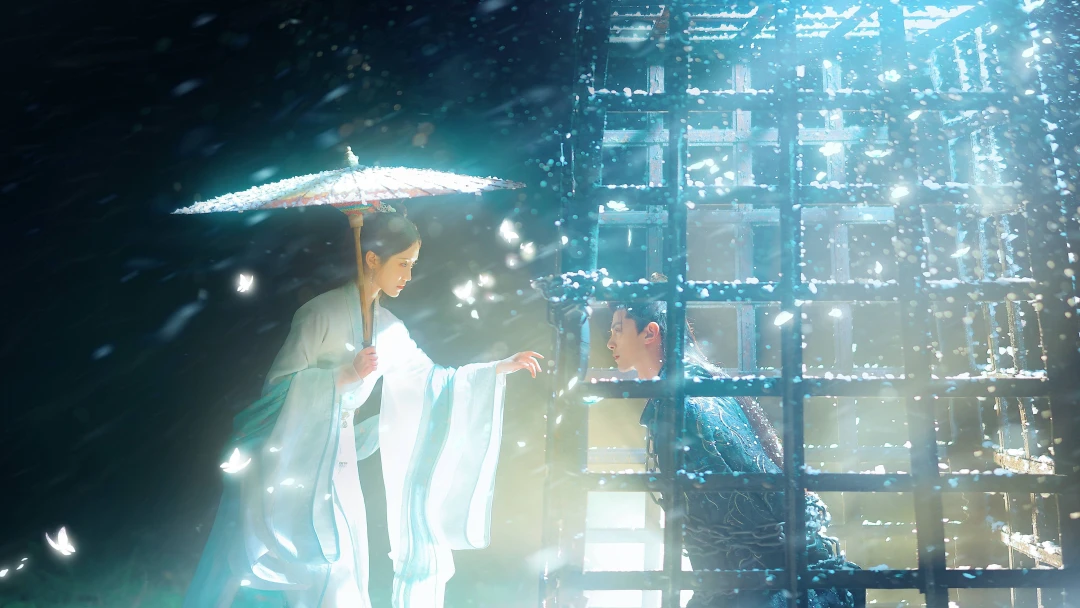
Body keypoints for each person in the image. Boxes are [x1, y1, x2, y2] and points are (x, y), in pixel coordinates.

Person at [184, 209, 543, 608]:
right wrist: (343, 376)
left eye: (412, 265)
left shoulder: (388, 328)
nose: (408, 275)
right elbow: (277, 391)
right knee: (235, 557)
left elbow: (431, 382)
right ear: (372, 258)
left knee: (343, 562)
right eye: (402, 263)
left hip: (340, 457)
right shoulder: (318, 314)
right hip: (289, 454)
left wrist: (496, 369)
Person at [606, 300, 864, 608]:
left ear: (650, 333)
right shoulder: (702, 390)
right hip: (762, 582)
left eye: (618, 330)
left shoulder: (684, 406)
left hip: (755, 589)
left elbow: (740, 506)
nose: (610, 342)